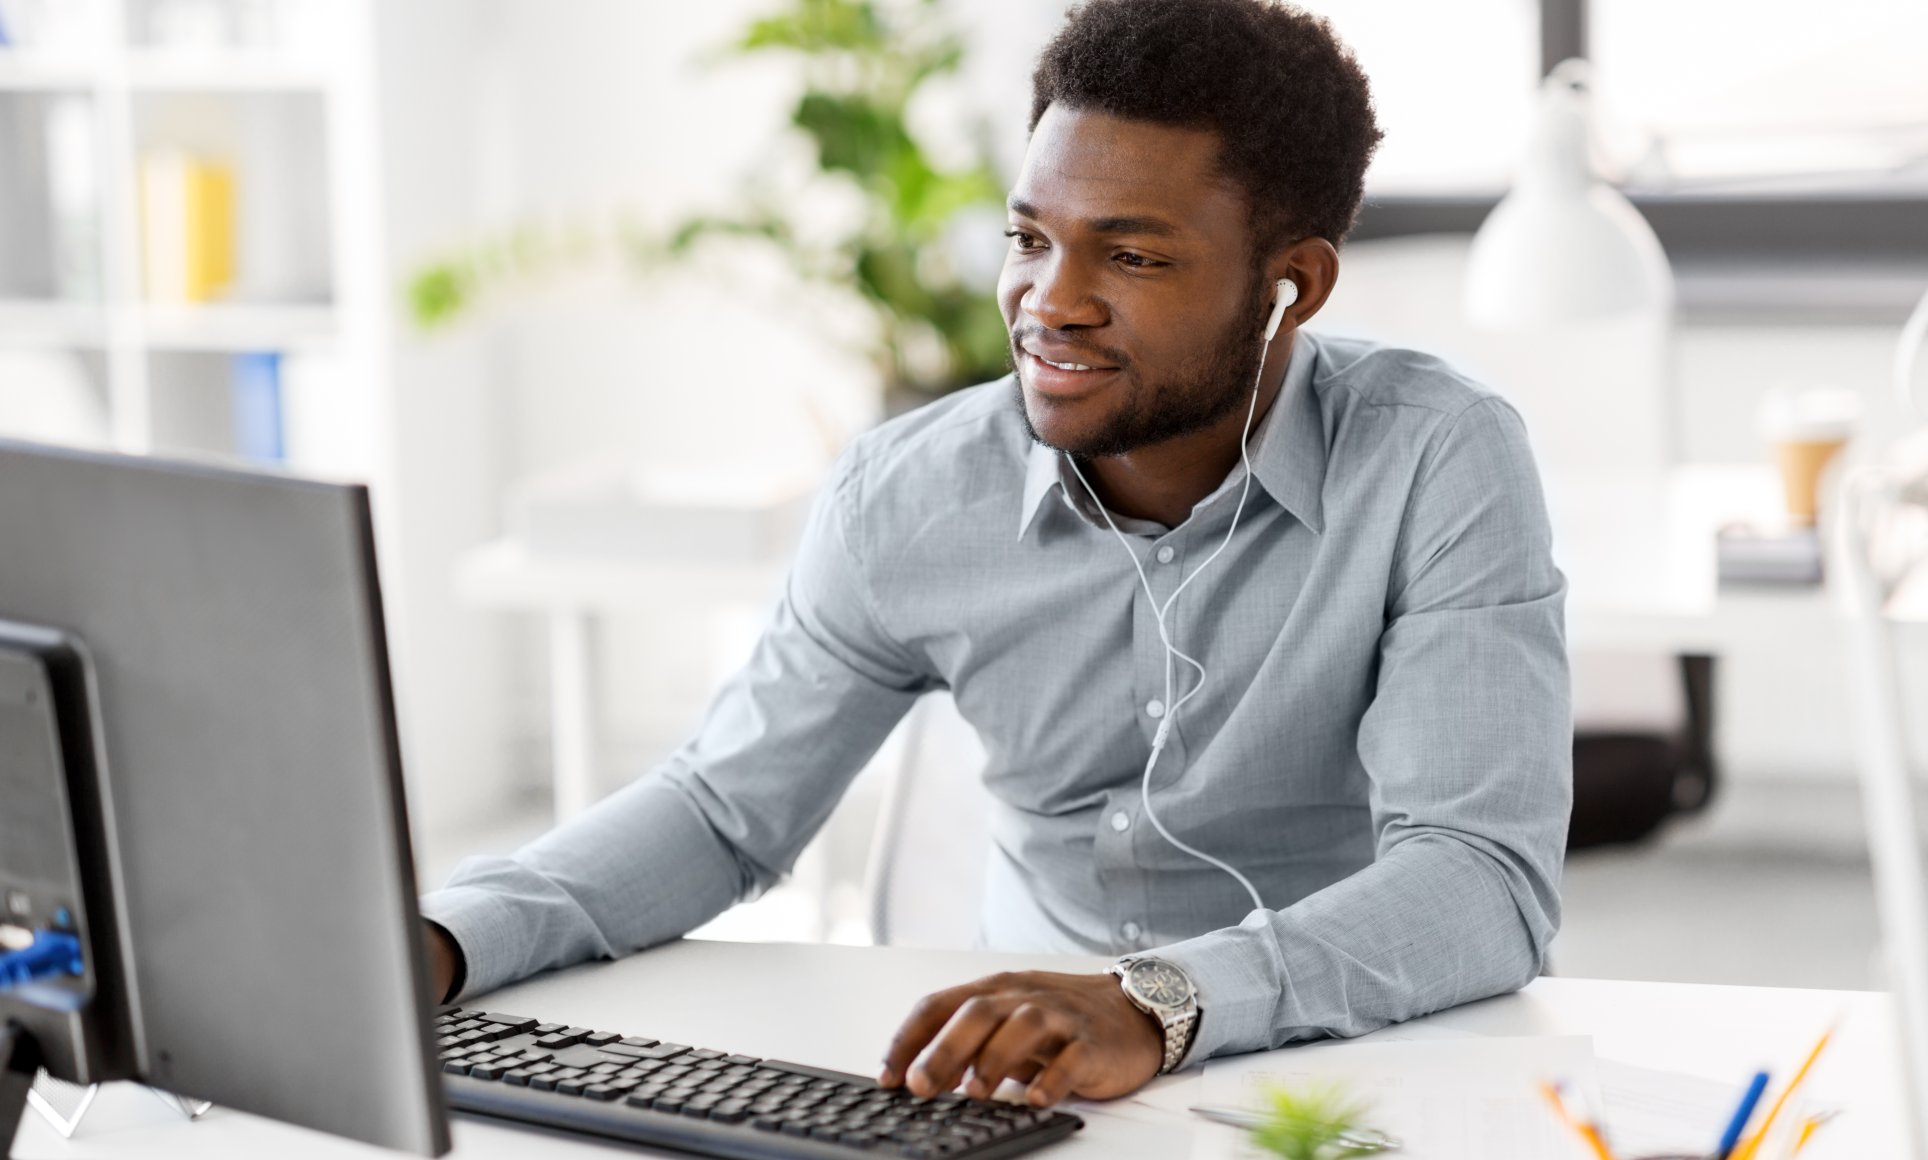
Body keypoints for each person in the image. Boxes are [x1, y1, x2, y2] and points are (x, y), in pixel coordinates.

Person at [421, 0, 1570, 1109]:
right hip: (1013, 1078)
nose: (1046, 302)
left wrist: (1157, 1000)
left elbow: (1478, 876)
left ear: (1293, 284)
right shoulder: (905, 494)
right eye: (1028, 238)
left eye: (1131, 257)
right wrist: (442, 938)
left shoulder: (1435, 457)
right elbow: (722, 809)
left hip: (1353, 1059)